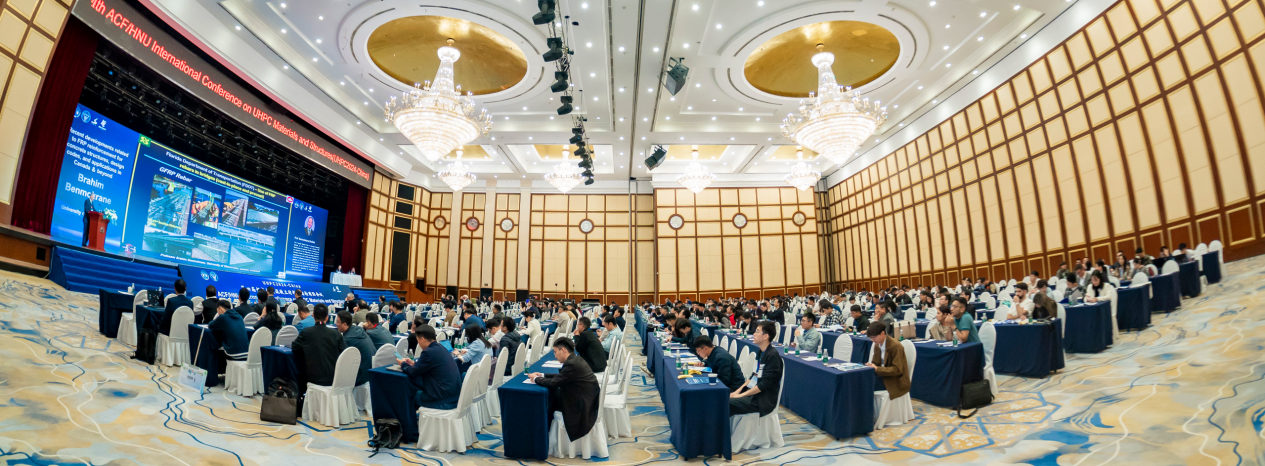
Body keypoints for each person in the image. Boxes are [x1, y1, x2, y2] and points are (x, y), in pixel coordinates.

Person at [528, 337, 601, 441]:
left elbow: (553, 383)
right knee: (553, 395)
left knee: (549, 400)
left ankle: (542, 435)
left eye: (555, 352)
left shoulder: (572, 364)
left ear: (563, 350)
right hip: (586, 397)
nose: (555, 356)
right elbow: (562, 376)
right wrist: (542, 375)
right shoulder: (575, 359)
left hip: (582, 405)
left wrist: (535, 379)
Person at [397, 324, 461, 409]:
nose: (418, 343)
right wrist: (414, 364)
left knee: (409, 393)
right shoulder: (441, 348)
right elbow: (429, 365)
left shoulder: (428, 352)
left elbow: (413, 372)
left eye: (418, 340)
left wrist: (403, 364)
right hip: (453, 397)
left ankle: (409, 418)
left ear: (423, 339)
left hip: (443, 401)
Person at [728, 321, 784, 417]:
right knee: (725, 395)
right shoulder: (760, 352)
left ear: (765, 336)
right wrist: (736, 392)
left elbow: (764, 384)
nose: (754, 334)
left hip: (762, 399)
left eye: (757, 331)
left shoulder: (772, 356)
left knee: (727, 403)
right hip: (753, 392)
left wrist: (740, 395)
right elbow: (753, 376)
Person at [292, 305, 346, 394]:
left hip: (312, 378)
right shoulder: (336, 334)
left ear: (313, 315)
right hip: (333, 378)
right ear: (327, 317)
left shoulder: (306, 332)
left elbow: (294, 348)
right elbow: (344, 353)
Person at [865, 322, 911, 401]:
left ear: (882, 333)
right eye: (870, 338)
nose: (872, 340)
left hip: (895, 380)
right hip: (883, 375)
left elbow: (897, 370)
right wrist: (871, 365)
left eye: (874, 337)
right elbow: (876, 363)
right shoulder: (877, 345)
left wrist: (877, 369)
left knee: (867, 386)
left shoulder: (895, 346)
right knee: (863, 381)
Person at [209, 300, 250, 372]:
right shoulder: (239, 317)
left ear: (221, 309)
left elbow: (210, 325)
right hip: (247, 352)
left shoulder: (223, 318)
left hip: (234, 354)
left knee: (214, 351)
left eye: (218, 311)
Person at [336, 311, 375, 386]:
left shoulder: (348, 339)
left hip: (362, 375)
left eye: (338, 322)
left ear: (344, 324)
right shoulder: (357, 329)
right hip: (371, 370)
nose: (336, 324)